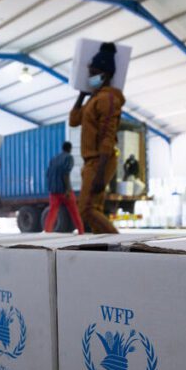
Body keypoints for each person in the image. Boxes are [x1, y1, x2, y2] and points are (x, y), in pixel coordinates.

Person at [69, 42, 124, 234]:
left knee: (87, 209)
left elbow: (108, 137)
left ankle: (117, 244)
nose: (89, 77)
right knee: (94, 209)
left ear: (105, 74)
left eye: (93, 72)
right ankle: (106, 248)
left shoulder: (108, 99)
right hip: (91, 162)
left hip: (100, 160)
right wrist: (81, 96)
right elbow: (74, 120)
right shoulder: (94, 99)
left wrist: (100, 172)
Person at [44, 141, 86, 234]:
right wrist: (68, 190)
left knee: (52, 212)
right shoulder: (69, 157)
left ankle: (47, 231)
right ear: (70, 149)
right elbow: (66, 174)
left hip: (54, 191)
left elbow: (48, 174)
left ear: (62, 148)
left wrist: (51, 188)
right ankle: (81, 231)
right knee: (74, 211)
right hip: (64, 191)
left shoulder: (54, 159)